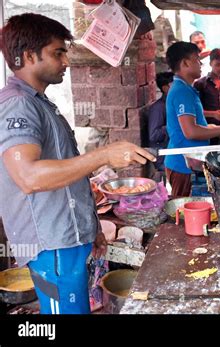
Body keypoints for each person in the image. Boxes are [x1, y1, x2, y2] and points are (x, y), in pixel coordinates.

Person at [0, 13, 156, 314]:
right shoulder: (18, 105)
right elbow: (29, 176)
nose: (67, 61)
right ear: (29, 56)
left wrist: (91, 227)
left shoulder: (40, 103)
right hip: (52, 245)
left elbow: (68, 179)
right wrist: (104, 155)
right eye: (58, 52)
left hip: (67, 239)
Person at [164, 41, 220, 197]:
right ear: (185, 63)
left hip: (189, 163)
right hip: (182, 164)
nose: (200, 64)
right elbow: (190, 132)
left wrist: (211, 127)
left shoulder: (186, 89)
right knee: (183, 211)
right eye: (197, 60)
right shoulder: (182, 91)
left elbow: (194, 123)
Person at [194, 48, 220, 145]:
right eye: (218, 65)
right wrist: (214, 114)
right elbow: (196, 111)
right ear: (211, 63)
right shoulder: (201, 84)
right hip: (207, 130)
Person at [147, 72, 174, 181]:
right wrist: (172, 126)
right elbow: (153, 135)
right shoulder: (158, 108)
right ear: (165, 88)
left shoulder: (172, 104)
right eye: (174, 84)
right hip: (163, 157)